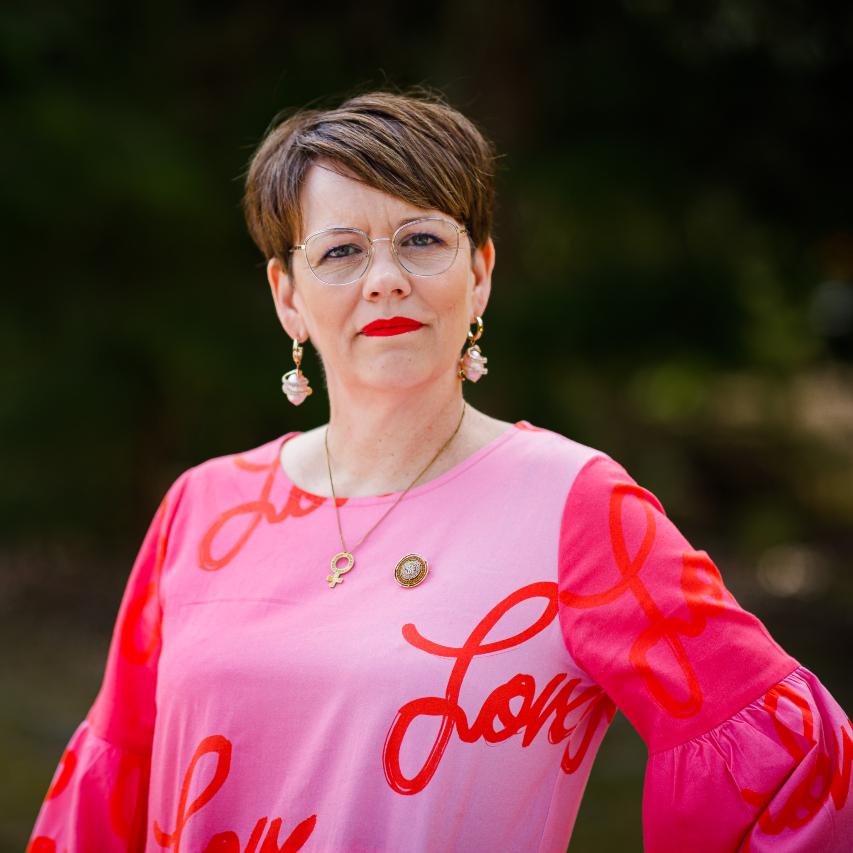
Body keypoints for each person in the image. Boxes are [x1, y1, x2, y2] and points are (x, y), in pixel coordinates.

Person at [29, 90, 852, 853]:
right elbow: (104, 802)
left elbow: (792, 767)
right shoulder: (202, 505)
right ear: (287, 296)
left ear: (480, 272)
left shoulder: (575, 507)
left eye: (421, 240)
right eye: (340, 251)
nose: (385, 278)